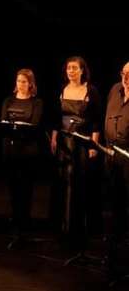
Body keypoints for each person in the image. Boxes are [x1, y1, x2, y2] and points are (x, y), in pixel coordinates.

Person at [50, 56, 102, 246]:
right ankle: (64, 229)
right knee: (64, 184)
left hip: (82, 142)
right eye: (68, 68)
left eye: (74, 68)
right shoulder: (62, 90)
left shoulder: (91, 90)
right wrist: (54, 138)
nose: (70, 71)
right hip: (65, 141)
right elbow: (56, 118)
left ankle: (78, 232)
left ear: (82, 70)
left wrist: (93, 145)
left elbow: (96, 120)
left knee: (79, 185)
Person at [0, 69, 43, 244]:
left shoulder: (36, 102)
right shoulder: (8, 100)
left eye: (24, 82)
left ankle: (24, 223)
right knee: (13, 188)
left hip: (28, 151)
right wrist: (15, 129)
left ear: (31, 84)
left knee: (26, 188)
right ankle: (15, 222)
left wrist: (16, 129)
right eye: (19, 81)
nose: (21, 84)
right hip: (10, 150)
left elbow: (35, 126)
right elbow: (3, 123)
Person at [104, 61, 129, 279]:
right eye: (124, 73)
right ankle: (113, 257)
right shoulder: (115, 90)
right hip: (112, 156)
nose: (126, 78)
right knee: (114, 207)